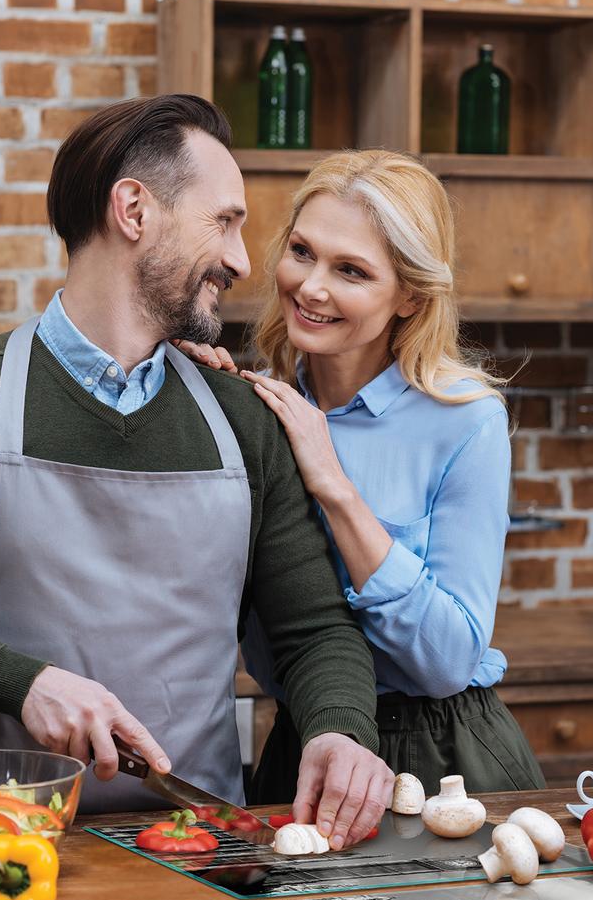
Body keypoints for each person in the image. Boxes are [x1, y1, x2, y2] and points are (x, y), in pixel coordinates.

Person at [0, 97, 395, 845]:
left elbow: (313, 629)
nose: (243, 261)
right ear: (134, 211)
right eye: (224, 222)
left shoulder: (242, 420)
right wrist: (23, 681)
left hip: (196, 849)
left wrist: (337, 729)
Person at [182, 149, 546, 801]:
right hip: (302, 747)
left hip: (443, 757)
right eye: (302, 252)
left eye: (350, 270)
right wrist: (191, 402)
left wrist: (335, 487)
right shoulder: (255, 408)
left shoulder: (465, 422)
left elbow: (446, 661)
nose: (312, 286)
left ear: (409, 295)